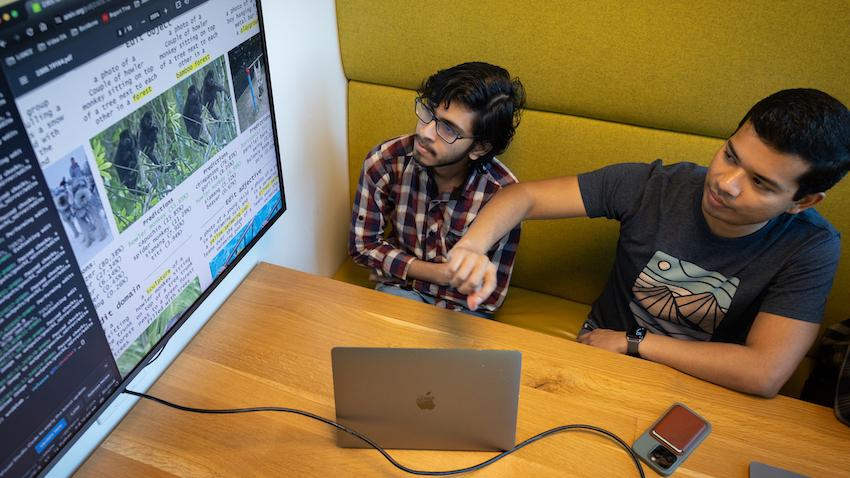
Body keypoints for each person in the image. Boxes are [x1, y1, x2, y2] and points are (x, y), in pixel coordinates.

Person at [447, 88, 850, 396]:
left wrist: (633, 343)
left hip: (703, 381)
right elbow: (524, 196)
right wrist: (471, 247)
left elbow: (765, 372)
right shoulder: (654, 185)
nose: (725, 184)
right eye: (730, 156)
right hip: (598, 355)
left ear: (803, 201)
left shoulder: (811, 245)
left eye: (760, 182)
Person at [349, 62, 525, 316]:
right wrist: (438, 274)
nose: (426, 132)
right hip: (401, 292)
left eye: (448, 129)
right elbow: (363, 247)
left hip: (463, 312)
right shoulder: (387, 161)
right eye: (428, 113)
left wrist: (405, 270)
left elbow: (489, 298)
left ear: (480, 148)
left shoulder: (504, 196)